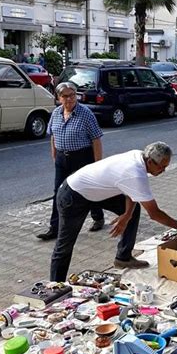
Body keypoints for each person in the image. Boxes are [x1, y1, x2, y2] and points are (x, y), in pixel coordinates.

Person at [50, 142, 177, 282]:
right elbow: (155, 214)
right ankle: (55, 287)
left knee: (133, 210)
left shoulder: (139, 156)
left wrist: (127, 215)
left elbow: (131, 191)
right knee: (65, 246)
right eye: (161, 167)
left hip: (94, 192)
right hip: (73, 196)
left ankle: (123, 257)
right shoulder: (135, 173)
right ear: (150, 162)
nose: (163, 171)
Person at [37, 82, 105, 241]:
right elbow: (53, 135)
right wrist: (55, 154)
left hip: (82, 157)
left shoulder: (86, 113)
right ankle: (54, 227)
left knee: (87, 190)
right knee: (58, 192)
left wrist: (97, 164)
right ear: (59, 98)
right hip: (62, 158)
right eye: (65, 96)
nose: (69, 99)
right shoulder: (56, 114)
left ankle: (97, 216)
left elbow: (96, 139)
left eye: (72, 95)